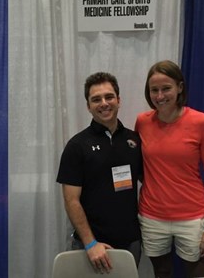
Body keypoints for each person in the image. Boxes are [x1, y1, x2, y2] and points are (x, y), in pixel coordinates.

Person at [135, 60, 204, 278]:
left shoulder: (203, 122)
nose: (160, 95)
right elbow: (138, 166)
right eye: (154, 90)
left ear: (180, 88)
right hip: (152, 216)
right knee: (162, 273)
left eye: (166, 88)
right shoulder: (142, 122)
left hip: (193, 218)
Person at [56, 72, 142, 273]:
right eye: (96, 99)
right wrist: (90, 243)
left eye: (109, 97)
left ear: (118, 100)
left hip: (131, 243)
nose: (104, 103)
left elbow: (149, 182)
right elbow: (71, 200)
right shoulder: (77, 146)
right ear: (88, 106)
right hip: (91, 247)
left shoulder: (134, 141)